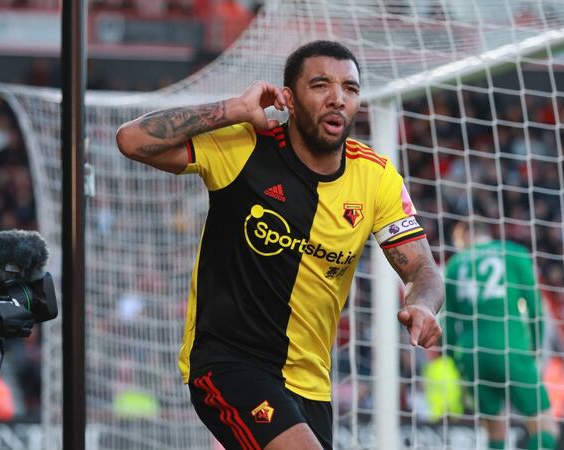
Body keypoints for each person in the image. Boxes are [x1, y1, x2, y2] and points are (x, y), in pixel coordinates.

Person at [116, 40, 443, 450]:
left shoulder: (376, 178)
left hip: (311, 384)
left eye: (350, 89)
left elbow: (422, 270)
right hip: (230, 363)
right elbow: (131, 139)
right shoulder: (243, 146)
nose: (338, 98)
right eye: (321, 85)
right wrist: (234, 108)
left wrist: (424, 305)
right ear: (287, 98)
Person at [443, 221, 559, 449]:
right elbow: (535, 308)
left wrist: (455, 363)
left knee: (495, 432)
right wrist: (534, 348)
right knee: (546, 427)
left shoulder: (456, 264)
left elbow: (448, 322)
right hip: (509, 347)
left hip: (471, 354)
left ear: (463, 239)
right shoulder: (514, 254)